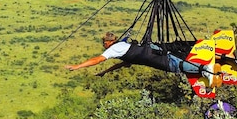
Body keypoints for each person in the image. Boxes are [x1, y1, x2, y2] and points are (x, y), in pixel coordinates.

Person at [66, 32, 221, 88]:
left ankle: (205, 69)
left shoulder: (113, 49)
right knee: (175, 52)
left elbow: (97, 59)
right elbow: (124, 64)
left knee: (173, 65)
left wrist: (78, 66)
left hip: (152, 55)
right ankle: (218, 55)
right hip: (152, 49)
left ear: (108, 42)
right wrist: (105, 72)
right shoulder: (123, 45)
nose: (103, 46)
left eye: (104, 43)